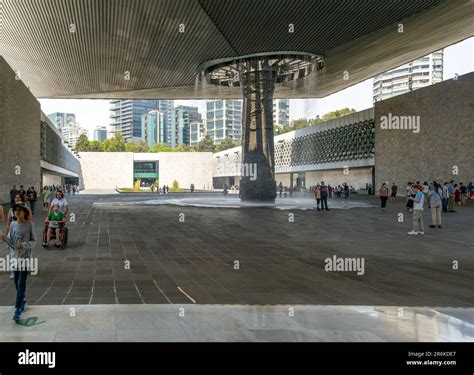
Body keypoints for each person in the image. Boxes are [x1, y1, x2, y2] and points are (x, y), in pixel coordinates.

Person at [0, 202, 36, 321]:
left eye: (19, 210)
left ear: (24, 212)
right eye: (15, 210)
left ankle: (17, 309)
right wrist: (4, 238)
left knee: (21, 283)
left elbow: (34, 241)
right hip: (14, 258)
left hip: (24, 259)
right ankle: (23, 300)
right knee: (16, 282)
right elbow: (12, 243)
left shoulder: (29, 225)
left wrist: (25, 245)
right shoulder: (12, 225)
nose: (16, 212)